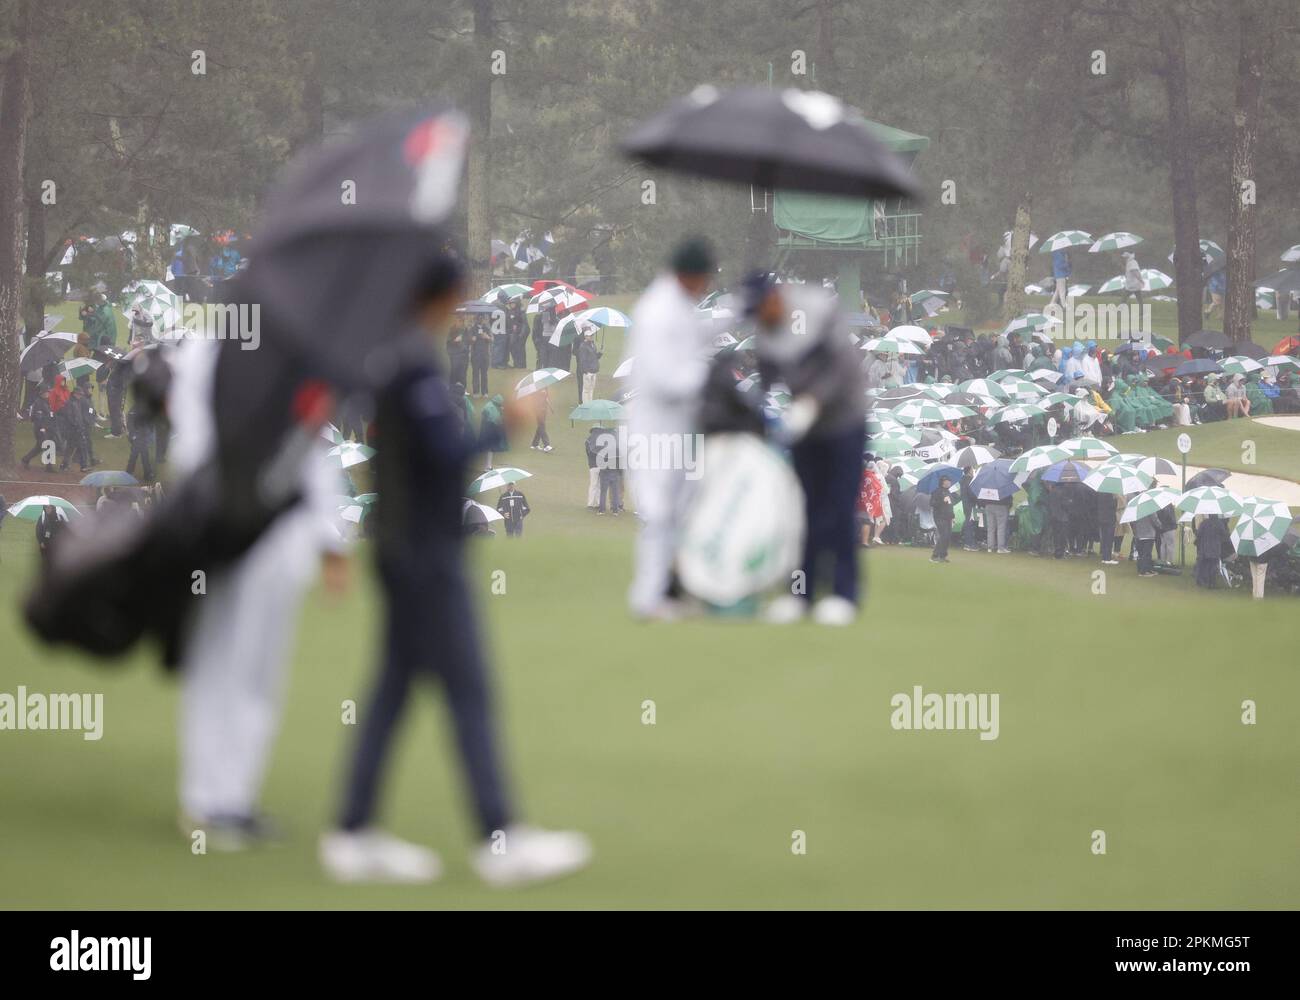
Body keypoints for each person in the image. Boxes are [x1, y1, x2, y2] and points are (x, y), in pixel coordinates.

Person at [321, 252, 590, 886]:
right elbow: (445, 455)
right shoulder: (414, 367)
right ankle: (500, 840)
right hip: (424, 555)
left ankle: (353, 832)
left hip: (403, 549)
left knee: (392, 693)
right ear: (443, 297)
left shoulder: (398, 357)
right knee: (468, 691)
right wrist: (508, 423)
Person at [170, 338, 349, 848]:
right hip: (222, 525)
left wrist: (330, 536)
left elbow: (314, 445)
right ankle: (206, 801)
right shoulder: (208, 353)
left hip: (280, 534)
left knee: (258, 673)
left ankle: (233, 799)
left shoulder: (301, 353)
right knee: (221, 664)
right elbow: (193, 444)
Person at [745, 271, 866, 625]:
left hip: (844, 422)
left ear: (776, 296)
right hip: (805, 428)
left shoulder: (817, 310)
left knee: (839, 507)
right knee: (803, 512)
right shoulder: (766, 329)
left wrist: (812, 402)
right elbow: (766, 384)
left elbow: (841, 369)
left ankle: (844, 596)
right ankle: (799, 594)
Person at [625, 238, 715, 620]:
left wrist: (739, 313)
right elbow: (665, 379)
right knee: (658, 513)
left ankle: (671, 589)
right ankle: (648, 596)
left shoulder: (677, 304)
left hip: (676, 430)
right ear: (691, 276)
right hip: (651, 431)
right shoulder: (657, 311)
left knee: (680, 511)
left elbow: (696, 334)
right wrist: (710, 378)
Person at [1194, 514, 1232, 589]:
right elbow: (1224, 535)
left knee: (1204, 565)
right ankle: (1212, 583)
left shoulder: (1204, 523)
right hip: (1215, 549)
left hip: (1205, 548)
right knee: (1213, 566)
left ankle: (1203, 581)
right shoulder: (1219, 523)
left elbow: (1198, 534)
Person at [930, 476, 955, 563]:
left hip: (948, 517)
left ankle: (942, 555)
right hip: (939, 516)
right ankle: (935, 555)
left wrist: (953, 516)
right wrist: (942, 501)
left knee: (947, 536)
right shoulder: (937, 492)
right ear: (943, 482)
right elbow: (932, 503)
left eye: (949, 481)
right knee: (944, 535)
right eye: (947, 481)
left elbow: (950, 505)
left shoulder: (948, 492)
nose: (949, 482)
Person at [576, 329, 601, 404]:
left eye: (592, 335)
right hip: (588, 371)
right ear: (585, 336)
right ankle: (585, 405)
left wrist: (600, 353)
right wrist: (586, 371)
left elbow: (595, 357)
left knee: (591, 389)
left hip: (594, 370)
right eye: (590, 335)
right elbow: (582, 360)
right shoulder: (583, 346)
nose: (591, 336)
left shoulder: (592, 344)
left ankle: (590, 404)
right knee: (586, 390)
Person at [1133, 509, 1159, 576]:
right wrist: (1160, 525)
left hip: (1139, 534)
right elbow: (1155, 521)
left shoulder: (1136, 510)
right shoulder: (1151, 510)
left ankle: (1145, 569)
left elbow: (1133, 522)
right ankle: (1143, 571)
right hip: (1148, 535)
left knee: (1141, 553)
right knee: (1146, 554)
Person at [469, 317, 491, 396]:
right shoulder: (472, 329)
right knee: (475, 374)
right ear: (476, 319)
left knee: (484, 374)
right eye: (479, 318)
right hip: (475, 355)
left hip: (485, 355)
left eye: (482, 318)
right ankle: (476, 392)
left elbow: (491, 339)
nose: (481, 320)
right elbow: (469, 340)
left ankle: (485, 392)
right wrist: (472, 339)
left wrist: (487, 337)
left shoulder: (487, 328)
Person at [528, 385, 552, 452]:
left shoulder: (545, 385)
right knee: (542, 426)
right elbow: (534, 400)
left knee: (540, 426)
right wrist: (541, 393)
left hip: (544, 410)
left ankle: (534, 444)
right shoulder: (534, 387)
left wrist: (546, 396)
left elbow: (546, 396)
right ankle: (546, 445)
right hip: (538, 410)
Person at [583, 424, 602, 508]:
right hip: (601, 465)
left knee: (593, 485)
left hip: (592, 465)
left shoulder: (588, 441)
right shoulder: (603, 441)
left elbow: (589, 453)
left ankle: (590, 504)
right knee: (599, 485)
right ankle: (598, 503)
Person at [1047, 248, 1071, 313]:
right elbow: (1061, 265)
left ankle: (1051, 304)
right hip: (1061, 275)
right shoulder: (1059, 255)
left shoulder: (1056, 254)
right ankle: (1064, 305)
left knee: (1057, 292)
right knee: (1062, 291)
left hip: (1058, 275)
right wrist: (1066, 262)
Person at [506, 299, 528, 368]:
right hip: (512, 334)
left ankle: (521, 366)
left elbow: (524, 324)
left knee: (520, 351)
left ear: (517, 303)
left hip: (519, 335)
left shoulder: (521, 312)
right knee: (513, 350)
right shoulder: (509, 312)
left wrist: (521, 334)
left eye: (513, 303)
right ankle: (516, 364)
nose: (512, 305)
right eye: (511, 303)